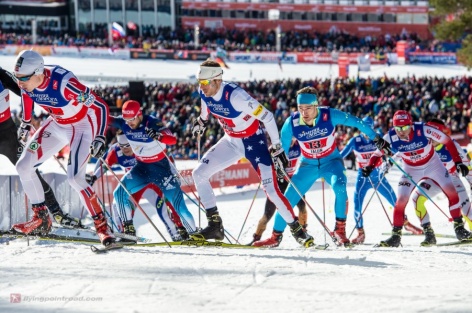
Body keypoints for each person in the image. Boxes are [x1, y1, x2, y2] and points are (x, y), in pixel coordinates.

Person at [191, 60, 313, 247]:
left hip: (253, 143)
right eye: (200, 82)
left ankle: (298, 231)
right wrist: (202, 120)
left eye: (205, 82)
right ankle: (214, 225)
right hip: (231, 141)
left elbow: (268, 116)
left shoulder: (236, 97)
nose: (202, 86)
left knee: (271, 190)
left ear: (217, 80)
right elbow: (206, 105)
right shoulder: (204, 91)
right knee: (198, 174)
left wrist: (278, 146)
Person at [253, 87, 389, 247]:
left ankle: (339, 231)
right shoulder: (292, 123)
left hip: (331, 162)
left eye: (308, 108)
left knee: (340, 187)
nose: (304, 112)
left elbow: (356, 121)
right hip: (307, 165)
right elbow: (283, 150)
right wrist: (279, 164)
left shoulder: (329, 115)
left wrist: (377, 138)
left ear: (316, 105)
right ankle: (275, 237)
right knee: (287, 199)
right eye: (300, 108)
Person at [11, 50, 114, 245]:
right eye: (16, 77)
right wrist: (25, 123)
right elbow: (26, 96)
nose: (19, 82)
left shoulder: (64, 85)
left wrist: (100, 137)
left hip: (81, 125)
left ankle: (102, 227)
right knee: (23, 166)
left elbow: (99, 106)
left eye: (23, 77)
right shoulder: (27, 82)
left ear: (39, 72)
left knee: (75, 178)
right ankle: (41, 218)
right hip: (57, 124)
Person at [365, 110, 472, 247]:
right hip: (411, 169)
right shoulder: (391, 136)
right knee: (401, 200)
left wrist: (458, 163)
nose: (401, 131)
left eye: (405, 127)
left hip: (433, 166)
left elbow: (449, 142)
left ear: (411, 124)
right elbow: (378, 153)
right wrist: (369, 167)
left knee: (454, 194)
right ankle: (399, 236)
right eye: (398, 128)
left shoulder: (424, 129)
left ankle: (459, 228)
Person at [0, 67, 81, 228]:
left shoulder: (0, 74)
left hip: (6, 135)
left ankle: (55, 214)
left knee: (29, 170)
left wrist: (51, 104)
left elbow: (27, 90)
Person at [108, 100, 197, 236]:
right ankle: (129, 231)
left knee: (178, 205)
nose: (129, 123)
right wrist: (91, 102)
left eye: (131, 119)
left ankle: (194, 233)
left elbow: (172, 140)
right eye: (126, 119)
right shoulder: (124, 123)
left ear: (139, 114)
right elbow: (105, 118)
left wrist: (159, 136)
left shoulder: (152, 123)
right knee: (119, 193)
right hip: (142, 168)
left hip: (162, 169)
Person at [87, 133, 186, 241]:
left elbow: (166, 157)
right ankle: (124, 234)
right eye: (122, 146)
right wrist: (94, 177)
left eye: (128, 146)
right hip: (135, 186)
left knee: (165, 206)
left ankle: (179, 231)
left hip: (153, 183)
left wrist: (174, 174)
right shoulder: (115, 151)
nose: (125, 149)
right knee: (117, 205)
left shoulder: (143, 145)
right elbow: (104, 165)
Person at [339, 116, 422, 244]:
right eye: (365, 129)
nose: (367, 133)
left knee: (395, 201)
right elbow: (341, 155)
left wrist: (407, 158)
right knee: (357, 205)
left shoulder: (378, 138)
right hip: (363, 177)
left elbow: (395, 150)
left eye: (370, 128)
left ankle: (405, 223)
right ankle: (360, 233)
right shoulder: (355, 141)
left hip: (378, 176)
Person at [407, 118, 472, 245]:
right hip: (434, 181)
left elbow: (467, 166)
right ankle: (429, 234)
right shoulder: (423, 144)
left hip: (452, 179)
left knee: (465, 208)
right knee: (416, 198)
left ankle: (463, 231)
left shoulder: (452, 145)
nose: (429, 137)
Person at [248, 140, 307, 246]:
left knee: (303, 209)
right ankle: (256, 238)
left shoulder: (299, 145)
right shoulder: (276, 148)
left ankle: (304, 234)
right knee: (267, 215)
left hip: (293, 183)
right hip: (279, 185)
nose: (292, 140)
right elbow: (265, 162)